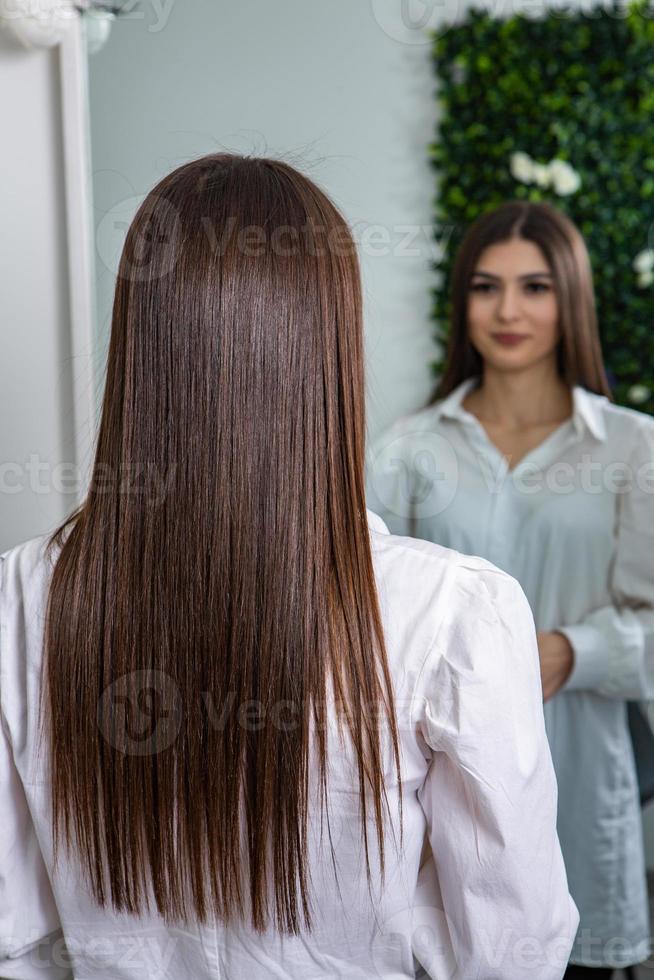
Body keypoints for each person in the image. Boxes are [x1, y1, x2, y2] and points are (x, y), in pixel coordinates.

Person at [0, 156, 578, 980]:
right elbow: (511, 950)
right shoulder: (449, 614)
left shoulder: (21, 595)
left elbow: (16, 935)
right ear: (331, 348)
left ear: (141, 342)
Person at [366, 200, 654, 978]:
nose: (508, 310)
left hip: (585, 769)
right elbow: (363, 614)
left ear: (572, 299)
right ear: (462, 303)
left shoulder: (634, 446)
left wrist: (575, 651)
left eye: (534, 287)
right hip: (440, 780)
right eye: (486, 287)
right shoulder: (408, 449)